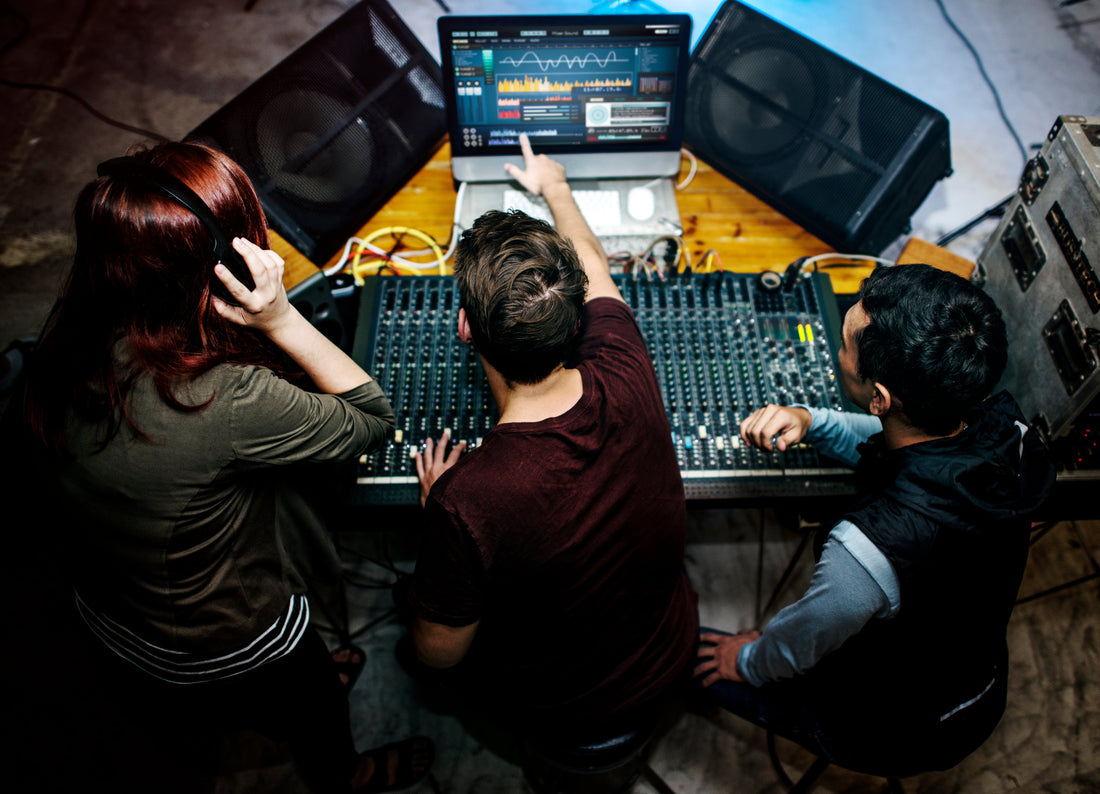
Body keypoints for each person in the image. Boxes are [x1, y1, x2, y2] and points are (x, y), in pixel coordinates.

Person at [21, 141, 432, 793]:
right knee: (312, 699)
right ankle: (348, 774)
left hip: (107, 610)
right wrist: (281, 316)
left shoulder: (64, 336)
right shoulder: (227, 397)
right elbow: (371, 421)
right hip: (223, 635)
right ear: (220, 267)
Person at [694, 263, 1055, 776]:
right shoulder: (1007, 431)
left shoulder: (864, 553)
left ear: (881, 396)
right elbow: (908, 448)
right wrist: (812, 421)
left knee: (681, 655)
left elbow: (801, 643)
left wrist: (748, 660)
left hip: (895, 730)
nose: (835, 349)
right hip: (978, 682)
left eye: (843, 344)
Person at [404, 134, 699, 743]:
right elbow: (591, 258)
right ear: (579, 315)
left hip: (563, 704)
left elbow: (439, 656)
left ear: (466, 328)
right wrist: (556, 187)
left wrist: (439, 512)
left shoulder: (468, 501)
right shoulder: (623, 354)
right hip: (670, 646)